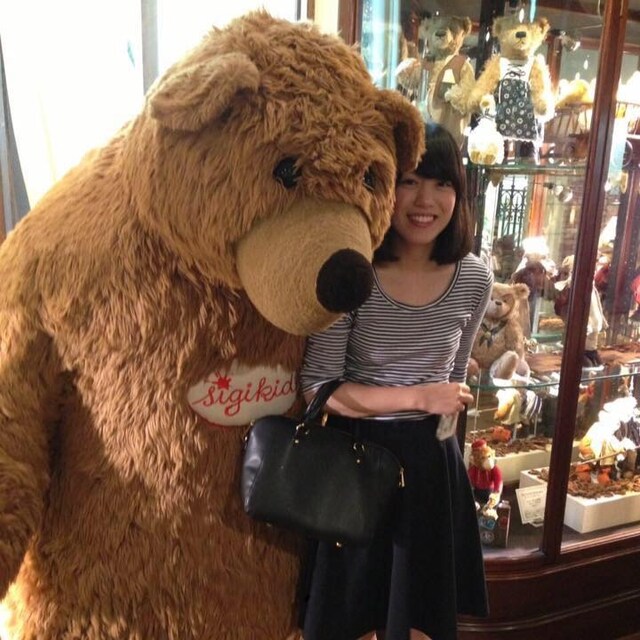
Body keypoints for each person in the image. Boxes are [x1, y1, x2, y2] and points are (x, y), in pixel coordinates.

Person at [297, 122, 492, 640]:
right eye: (410, 181)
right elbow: (319, 387)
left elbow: (454, 376)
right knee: (354, 617)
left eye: (442, 183)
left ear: (459, 193)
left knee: (422, 617)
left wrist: (445, 436)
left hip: (433, 467)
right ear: (386, 186)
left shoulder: (474, 277)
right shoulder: (354, 270)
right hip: (359, 461)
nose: (426, 200)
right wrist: (419, 396)